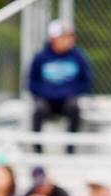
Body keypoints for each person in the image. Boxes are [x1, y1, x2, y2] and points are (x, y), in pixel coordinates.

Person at [28, 20, 91, 154]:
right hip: (47, 100)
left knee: (74, 108)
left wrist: (69, 92)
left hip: (67, 100)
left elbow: (86, 82)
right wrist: (47, 93)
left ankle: (70, 150)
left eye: (70, 36)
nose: (68, 40)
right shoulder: (41, 57)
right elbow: (32, 83)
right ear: (53, 38)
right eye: (64, 36)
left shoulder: (78, 56)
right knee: (38, 110)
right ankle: (37, 151)